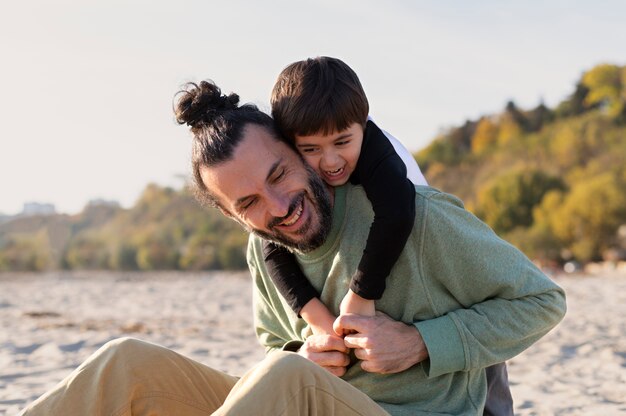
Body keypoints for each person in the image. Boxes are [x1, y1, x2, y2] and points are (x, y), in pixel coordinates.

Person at [20, 80, 566, 416]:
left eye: (280, 173)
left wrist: (423, 342)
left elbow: (542, 302)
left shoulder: (419, 216)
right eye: (250, 203)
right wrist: (302, 355)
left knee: (285, 378)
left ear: (301, 149)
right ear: (232, 215)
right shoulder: (265, 249)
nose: (278, 206)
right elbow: (276, 342)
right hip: (307, 404)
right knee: (125, 362)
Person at [263, 56, 427, 337]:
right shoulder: (287, 165)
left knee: (490, 376)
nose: (330, 161)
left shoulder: (379, 152)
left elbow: (397, 214)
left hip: (442, 282)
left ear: (363, 124)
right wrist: (314, 316)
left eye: (342, 142)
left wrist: (361, 294)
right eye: (311, 149)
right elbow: (270, 247)